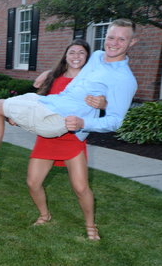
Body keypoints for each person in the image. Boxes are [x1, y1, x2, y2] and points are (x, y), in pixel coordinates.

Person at [0, 18, 138, 176]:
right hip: (50, 102)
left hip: (57, 117)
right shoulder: (98, 56)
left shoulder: (124, 79)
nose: (114, 43)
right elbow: (75, 66)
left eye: (122, 39)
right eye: (111, 37)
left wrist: (84, 123)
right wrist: (49, 72)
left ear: (132, 42)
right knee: (0, 106)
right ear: (105, 37)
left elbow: (116, 121)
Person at [25, 40, 108, 240]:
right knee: (33, 182)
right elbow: (39, 103)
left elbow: (106, 103)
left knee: (81, 187)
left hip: (72, 139)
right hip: (48, 137)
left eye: (81, 53)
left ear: (87, 58)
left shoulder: (92, 81)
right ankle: (44, 215)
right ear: (66, 56)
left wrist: (103, 103)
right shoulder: (53, 78)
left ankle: (91, 225)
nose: (76, 56)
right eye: (72, 52)